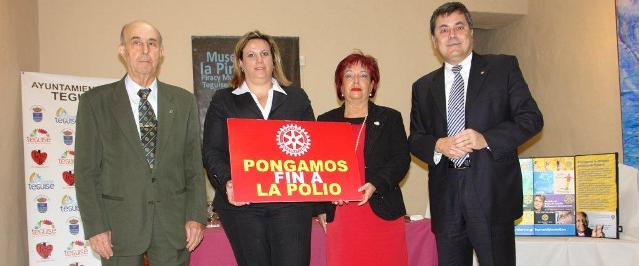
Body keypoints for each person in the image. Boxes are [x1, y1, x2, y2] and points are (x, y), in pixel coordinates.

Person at [408, 2, 544, 265]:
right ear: (435, 42)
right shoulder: (423, 87)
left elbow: (531, 119)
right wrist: (439, 145)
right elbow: (415, 138)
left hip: (491, 194)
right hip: (446, 199)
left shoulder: (503, 68)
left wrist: (486, 139)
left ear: (471, 33)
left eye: (459, 27)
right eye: (443, 30)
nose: (452, 35)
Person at [75, 20, 207, 265]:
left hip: (173, 225)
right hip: (118, 227)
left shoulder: (183, 101)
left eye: (152, 44)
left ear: (161, 52)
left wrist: (196, 216)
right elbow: (86, 172)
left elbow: (193, 168)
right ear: (122, 51)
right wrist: (95, 226)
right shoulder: (94, 103)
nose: (145, 50)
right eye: (136, 43)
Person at [202, 30, 315, 266]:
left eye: (264, 53)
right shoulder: (223, 100)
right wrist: (227, 183)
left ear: (274, 60)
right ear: (241, 63)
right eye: (251, 55)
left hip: (291, 205)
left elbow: (312, 148)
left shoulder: (297, 98)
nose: (259, 60)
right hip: (242, 206)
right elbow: (212, 151)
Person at [317, 52, 410, 266]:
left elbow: (401, 159)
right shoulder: (325, 121)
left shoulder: (390, 118)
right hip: (341, 217)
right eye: (349, 76)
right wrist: (320, 206)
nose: (356, 81)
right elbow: (316, 169)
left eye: (364, 75)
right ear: (340, 86)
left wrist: (377, 183)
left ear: (372, 85)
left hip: (382, 212)